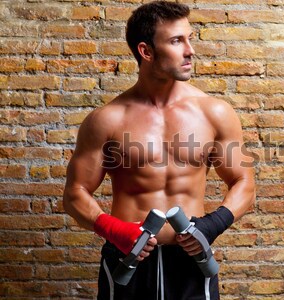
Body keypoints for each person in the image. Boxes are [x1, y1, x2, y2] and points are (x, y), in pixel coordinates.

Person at [63, 1, 255, 299]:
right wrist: (114, 230)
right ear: (146, 51)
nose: (190, 50)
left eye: (190, 38)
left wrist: (211, 226)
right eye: (177, 41)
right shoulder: (107, 120)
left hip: (191, 261)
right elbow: (75, 194)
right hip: (128, 259)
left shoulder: (215, 113)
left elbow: (244, 183)